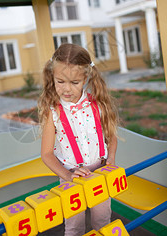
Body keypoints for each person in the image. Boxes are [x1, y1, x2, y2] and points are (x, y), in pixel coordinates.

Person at [39, 43, 119, 236]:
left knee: (102, 221)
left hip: (100, 174)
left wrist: (111, 159)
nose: (66, 89)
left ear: (85, 78)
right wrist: (67, 176)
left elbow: (111, 136)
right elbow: (47, 154)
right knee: (74, 227)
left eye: (74, 82)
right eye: (60, 81)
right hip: (70, 178)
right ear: (52, 77)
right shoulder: (53, 112)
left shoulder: (97, 104)